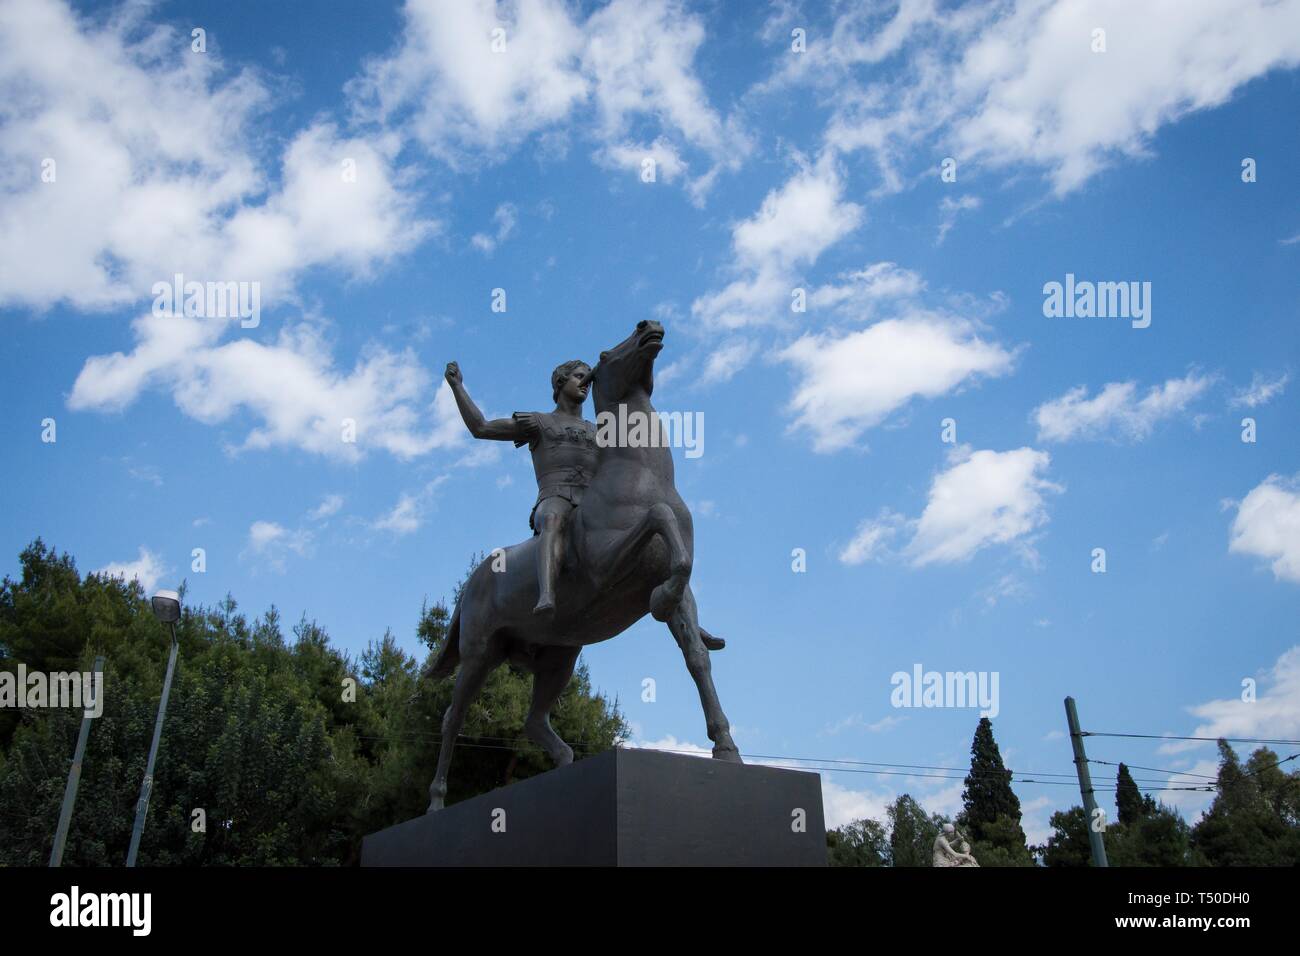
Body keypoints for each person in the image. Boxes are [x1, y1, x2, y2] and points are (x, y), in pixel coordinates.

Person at [444, 359, 596, 617]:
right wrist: (457, 386)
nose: (586, 384)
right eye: (579, 376)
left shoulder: (597, 431)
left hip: (593, 501)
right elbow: (481, 428)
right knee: (552, 518)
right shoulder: (538, 422)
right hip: (555, 496)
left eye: (589, 379)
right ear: (560, 382)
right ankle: (547, 594)